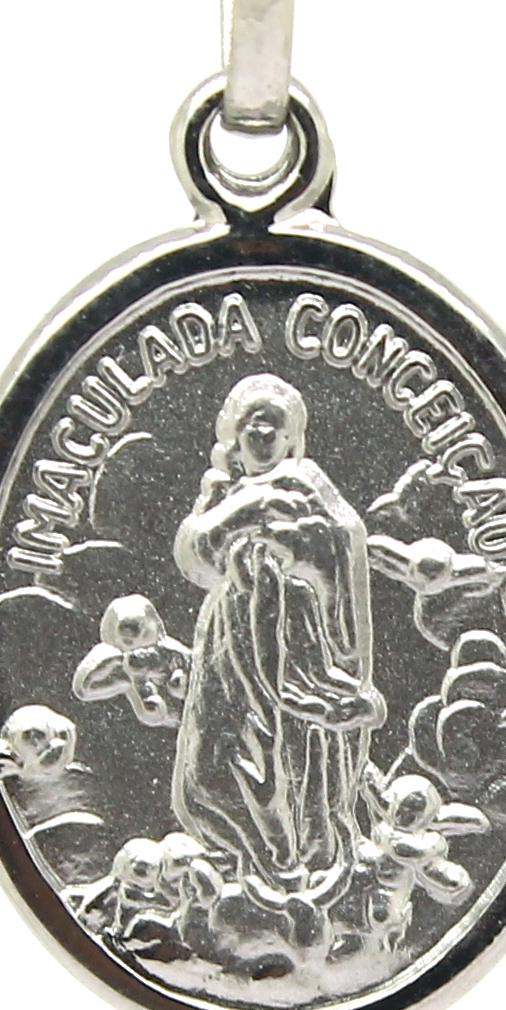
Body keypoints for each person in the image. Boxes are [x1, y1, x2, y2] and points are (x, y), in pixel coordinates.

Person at [171, 374, 385, 932]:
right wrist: (243, 512)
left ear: (292, 439)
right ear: (235, 437)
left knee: (288, 757)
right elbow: (194, 555)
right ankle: (247, 857)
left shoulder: (307, 485)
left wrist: (301, 560)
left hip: (294, 645)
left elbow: (340, 543)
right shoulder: (222, 492)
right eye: (251, 425)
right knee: (210, 765)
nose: (262, 435)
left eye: (274, 426)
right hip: (229, 645)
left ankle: (293, 865)